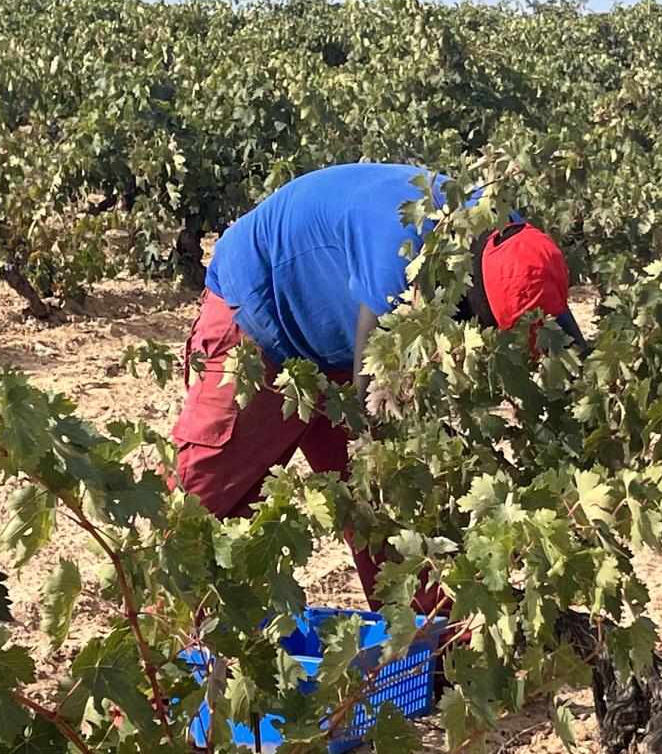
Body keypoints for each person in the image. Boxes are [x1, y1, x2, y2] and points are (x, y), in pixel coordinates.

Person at [170, 162, 583, 610]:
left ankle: (426, 656)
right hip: (258, 317)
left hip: (336, 338)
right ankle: (155, 638)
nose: (492, 340)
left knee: (389, 521)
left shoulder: (520, 249)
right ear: (472, 284)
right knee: (203, 509)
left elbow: (569, 349)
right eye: (490, 325)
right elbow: (373, 410)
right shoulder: (402, 254)